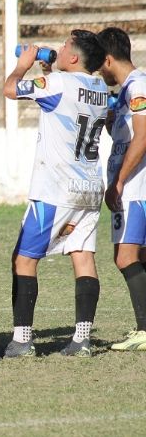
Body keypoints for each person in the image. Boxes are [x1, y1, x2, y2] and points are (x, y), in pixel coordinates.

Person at [2, 30, 107, 358]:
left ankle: (22, 340)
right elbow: (68, 100)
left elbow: (9, 90)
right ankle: (83, 339)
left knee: (24, 259)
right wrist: (51, 71)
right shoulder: (100, 88)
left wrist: (22, 66)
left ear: (73, 57)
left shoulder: (59, 85)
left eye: (64, 47)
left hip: (55, 188)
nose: (58, 49)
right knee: (83, 256)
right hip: (89, 187)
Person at [97, 27, 146, 351]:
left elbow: (143, 137)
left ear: (108, 59)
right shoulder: (128, 90)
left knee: (125, 257)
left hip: (136, 189)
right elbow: (122, 133)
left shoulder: (138, 86)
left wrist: (118, 182)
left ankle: (144, 330)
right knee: (139, 255)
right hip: (135, 188)